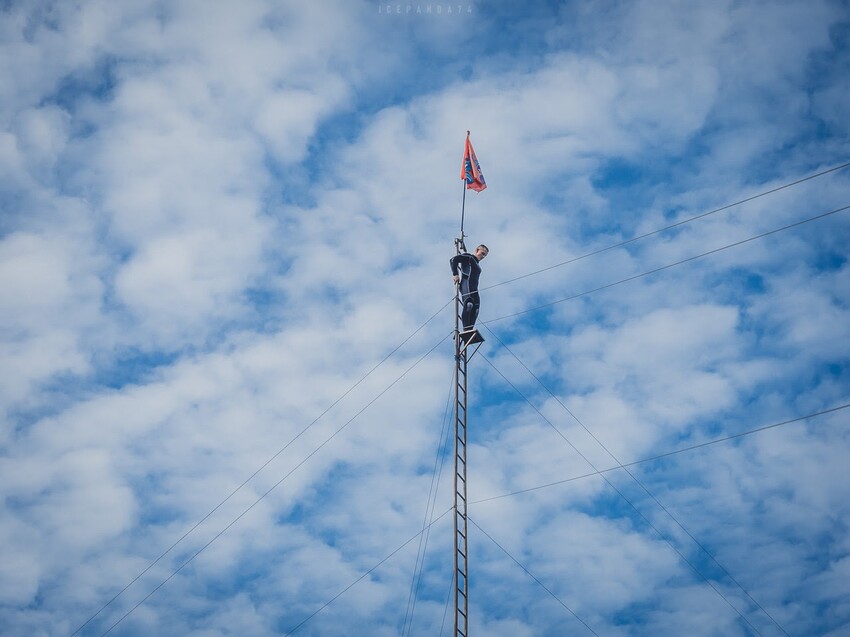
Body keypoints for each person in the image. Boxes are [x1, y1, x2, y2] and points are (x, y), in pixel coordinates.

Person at [450, 244, 489, 332]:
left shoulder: (477, 265)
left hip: (474, 289)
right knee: (469, 305)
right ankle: (465, 330)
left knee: (476, 310)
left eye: (485, 255)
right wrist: (455, 274)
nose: (483, 256)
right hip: (466, 285)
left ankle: (469, 330)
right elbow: (453, 260)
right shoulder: (469, 257)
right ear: (477, 250)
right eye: (482, 253)